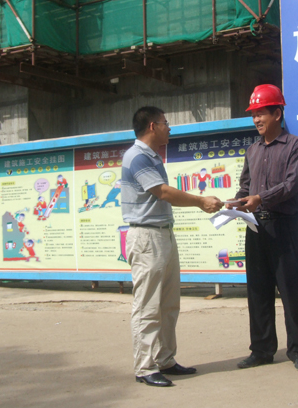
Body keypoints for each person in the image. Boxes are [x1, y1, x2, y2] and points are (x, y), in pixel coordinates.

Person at [122, 106, 223, 387]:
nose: (169, 128)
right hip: (147, 238)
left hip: (162, 234)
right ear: (152, 126)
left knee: (168, 303)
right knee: (148, 305)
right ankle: (145, 367)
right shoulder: (137, 156)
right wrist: (201, 201)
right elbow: (162, 192)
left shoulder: (152, 157)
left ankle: (165, 359)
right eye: (166, 123)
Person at [227, 84, 298, 373]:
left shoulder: (295, 145)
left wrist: (260, 198)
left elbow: (291, 185)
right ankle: (262, 350)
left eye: (261, 113)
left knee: (290, 291)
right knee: (258, 291)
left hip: (284, 227)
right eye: (253, 115)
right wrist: (235, 203)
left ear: (277, 113)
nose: (256, 119)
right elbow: (245, 186)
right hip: (256, 228)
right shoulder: (252, 150)